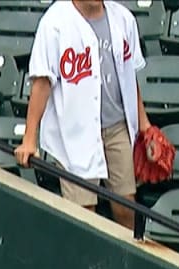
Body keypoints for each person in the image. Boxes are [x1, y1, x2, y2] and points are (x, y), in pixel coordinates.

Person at [13, 0, 154, 230]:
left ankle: (125, 265)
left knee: (127, 207)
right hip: (75, 133)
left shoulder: (123, 19)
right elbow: (41, 82)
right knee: (83, 215)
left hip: (117, 126)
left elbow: (128, 77)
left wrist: (145, 124)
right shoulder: (54, 22)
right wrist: (30, 138)